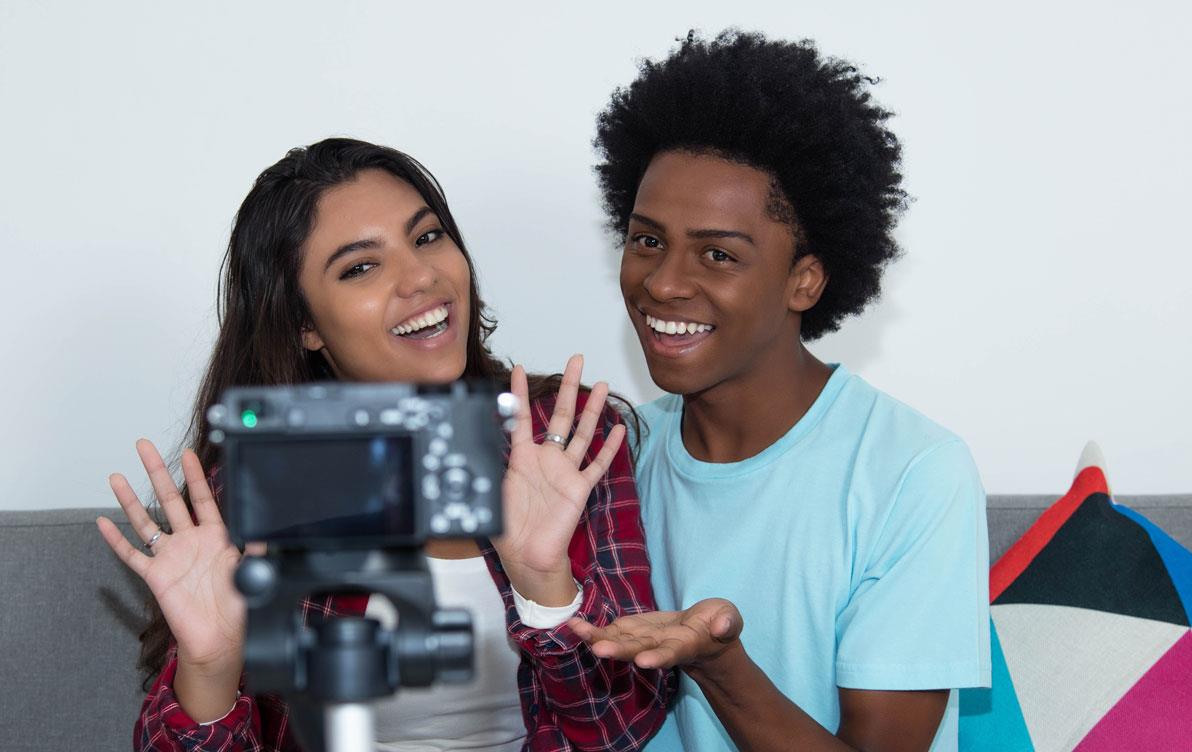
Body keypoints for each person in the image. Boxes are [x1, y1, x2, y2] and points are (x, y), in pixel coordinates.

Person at [96, 138, 671, 751]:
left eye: (426, 238)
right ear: (305, 326)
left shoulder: (563, 437)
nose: (422, 277)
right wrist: (209, 668)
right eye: (361, 267)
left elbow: (620, 730)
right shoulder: (255, 488)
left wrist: (545, 590)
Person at [569, 31, 991, 751]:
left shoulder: (911, 474)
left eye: (717, 254)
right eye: (646, 241)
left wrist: (722, 670)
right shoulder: (615, 453)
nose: (663, 282)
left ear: (805, 280)